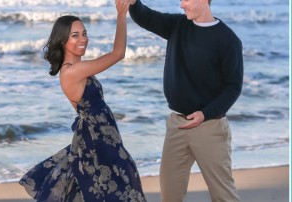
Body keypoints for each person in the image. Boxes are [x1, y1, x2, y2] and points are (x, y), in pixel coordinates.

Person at [19, 0, 147, 201]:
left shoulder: (78, 68)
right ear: (63, 40)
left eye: (84, 33)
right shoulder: (72, 71)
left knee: (110, 189)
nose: (83, 39)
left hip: (103, 137)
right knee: (119, 190)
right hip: (96, 141)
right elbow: (118, 53)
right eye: (75, 35)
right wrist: (121, 15)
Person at [129, 0, 243, 201]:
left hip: (209, 127)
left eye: (186, 0)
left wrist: (205, 113)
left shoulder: (228, 40)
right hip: (177, 125)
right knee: (169, 193)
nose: (182, 5)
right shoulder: (177, 26)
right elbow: (146, 17)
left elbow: (233, 87)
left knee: (223, 195)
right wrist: (133, 3)